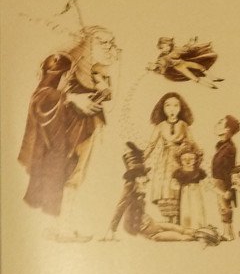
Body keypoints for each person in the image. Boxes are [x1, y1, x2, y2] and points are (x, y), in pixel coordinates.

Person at [18, 26, 118, 241]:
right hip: (65, 134)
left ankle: (63, 227)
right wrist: (71, 98)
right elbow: (41, 95)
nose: (109, 47)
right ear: (89, 43)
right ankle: (61, 229)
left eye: (111, 43)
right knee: (65, 177)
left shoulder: (96, 69)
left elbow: (104, 97)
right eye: (103, 42)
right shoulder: (64, 62)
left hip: (86, 129)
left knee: (75, 179)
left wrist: (104, 87)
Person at [103, 143, 219, 243]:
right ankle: (201, 236)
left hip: (147, 222)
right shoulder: (129, 188)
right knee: (170, 235)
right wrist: (111, 230)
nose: (146, 179)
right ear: (135, 177)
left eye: (144, 175)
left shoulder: (137, 187)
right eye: (142, 176)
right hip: (141, 225)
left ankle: (204, 234)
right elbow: (120, 208)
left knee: (175, 229)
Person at [143, 92, 195, 223]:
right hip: (164, 162)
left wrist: (184, 148)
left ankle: (177, 221)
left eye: (176, 105)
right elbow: (151, 145)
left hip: (180, 161)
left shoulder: (183, 125)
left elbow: (192, 143)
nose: (172, 109)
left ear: (181, 108)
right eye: (168, 105)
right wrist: (141, 159)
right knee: (165, 189)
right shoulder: (160, 126)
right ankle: (168, 221)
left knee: (177, 188)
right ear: (162, 108)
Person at [147, 36, 223, 89]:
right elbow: (161, 64)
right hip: (180, 68)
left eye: (166, 46)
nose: (164, 49)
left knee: (200, 67)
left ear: (170, 44)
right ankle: (210, 86)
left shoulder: (177, 49)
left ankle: (213, 78)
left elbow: (187, 48)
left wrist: (192, 43)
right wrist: (155, 67)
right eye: (162, 48)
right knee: (194, 78)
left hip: (184, 63)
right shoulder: (163, 57)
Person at [211, 115, 240, 241]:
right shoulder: (222, 146)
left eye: (220, 122)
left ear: (227, 129)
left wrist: (228, 189)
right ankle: (228, 232)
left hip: (224, 181)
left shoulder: (229, 148)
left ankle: (228, 233)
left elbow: (229, 170)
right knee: (222, 206)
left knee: (225, 207)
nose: (216, 124)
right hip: (219, 180)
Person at [171, 142, 208, 228]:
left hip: (196, 192)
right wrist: (175, 186)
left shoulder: (199, 171)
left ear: (196, 159)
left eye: (191, 158)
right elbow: (173, 184)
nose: (187, 161)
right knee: (185, 211)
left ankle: (198, 227)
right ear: (180, 160)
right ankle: (186, 228)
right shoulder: (178, 172)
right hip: (184, 193)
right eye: (184, 159)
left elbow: (206, 183)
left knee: (197, 209)